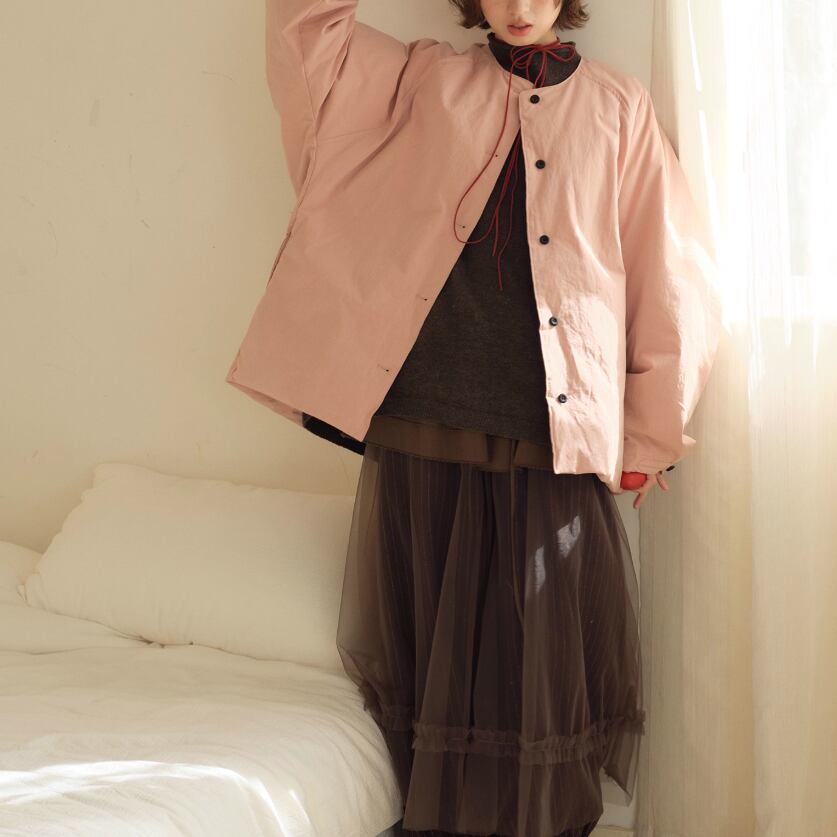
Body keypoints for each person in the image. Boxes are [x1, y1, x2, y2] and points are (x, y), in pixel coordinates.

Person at [225, 1, 722, 834]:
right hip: (423, 414)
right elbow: (307, 43)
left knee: (536, 665)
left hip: (551, 426)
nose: (518, 8)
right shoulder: (419, 78)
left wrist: (648, 431)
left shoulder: (617, 106)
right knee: (433, 661)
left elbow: (670, 272)